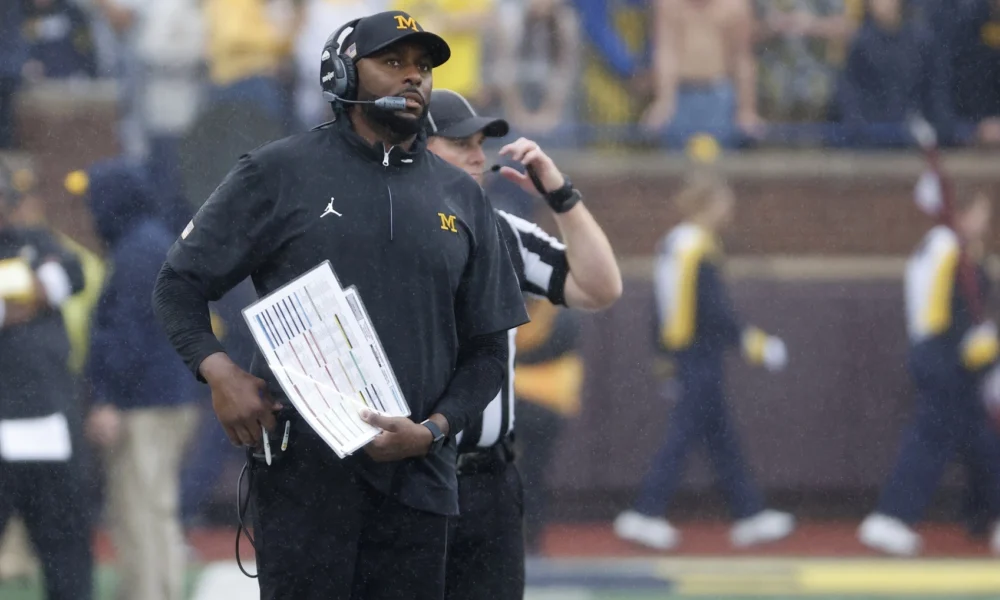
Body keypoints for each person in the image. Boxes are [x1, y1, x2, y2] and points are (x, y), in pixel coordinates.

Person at [151, 11, 528, 600]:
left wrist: (432, 430)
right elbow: (177, 283)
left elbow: (486, 353)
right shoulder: (278, 172)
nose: (413, 79)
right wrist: (218, 369)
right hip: (304, 478)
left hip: (421, 477)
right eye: (393, 62)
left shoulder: (462, 196)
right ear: (342, 72)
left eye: (423, 68)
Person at [424, 88, 622, 600]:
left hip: (489, 480)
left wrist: (560, 195)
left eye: (480, 143)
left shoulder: (502, 233)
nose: (477, 155)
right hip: (407, 479)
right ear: (418, 149)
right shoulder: (375, 232)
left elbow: (600, 286)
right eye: (460, 143)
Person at [614, 174, 794, 551]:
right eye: (724, 204)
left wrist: (662, 357)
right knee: (682, 437)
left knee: (721, 438)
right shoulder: (697, 247)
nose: (729, 211)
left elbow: (659, 308)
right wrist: (754, 343)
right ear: (706, 205)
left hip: (683, 352)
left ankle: (749, 513)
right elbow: (712, 308)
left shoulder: (673, 243)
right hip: (699, 352)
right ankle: (645, 513)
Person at [71, 159, 201, 600]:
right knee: (157, 512)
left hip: (144, 403)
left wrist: (107, 398)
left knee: (138, 515)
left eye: (93, 203)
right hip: (172, 397)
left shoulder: (134, 254)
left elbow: (125, 337)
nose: (88, 215)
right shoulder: (155, 243)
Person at [859, 185, 1000, 556]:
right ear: (963, 212)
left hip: (944, 354)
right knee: (931, 439)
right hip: (943, 357)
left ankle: (983, 517)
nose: (986, 222)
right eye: (982, 213)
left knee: (982, 441)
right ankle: (891, 516)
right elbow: (944, 311)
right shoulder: (946, 248)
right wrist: (970, 345)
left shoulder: (949, 248)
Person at [0, 162, 92, 599]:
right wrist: (17, 301)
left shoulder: (32, 239)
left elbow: (70, 273)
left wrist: (23, 297)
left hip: (46, 421)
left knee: (65, 551)